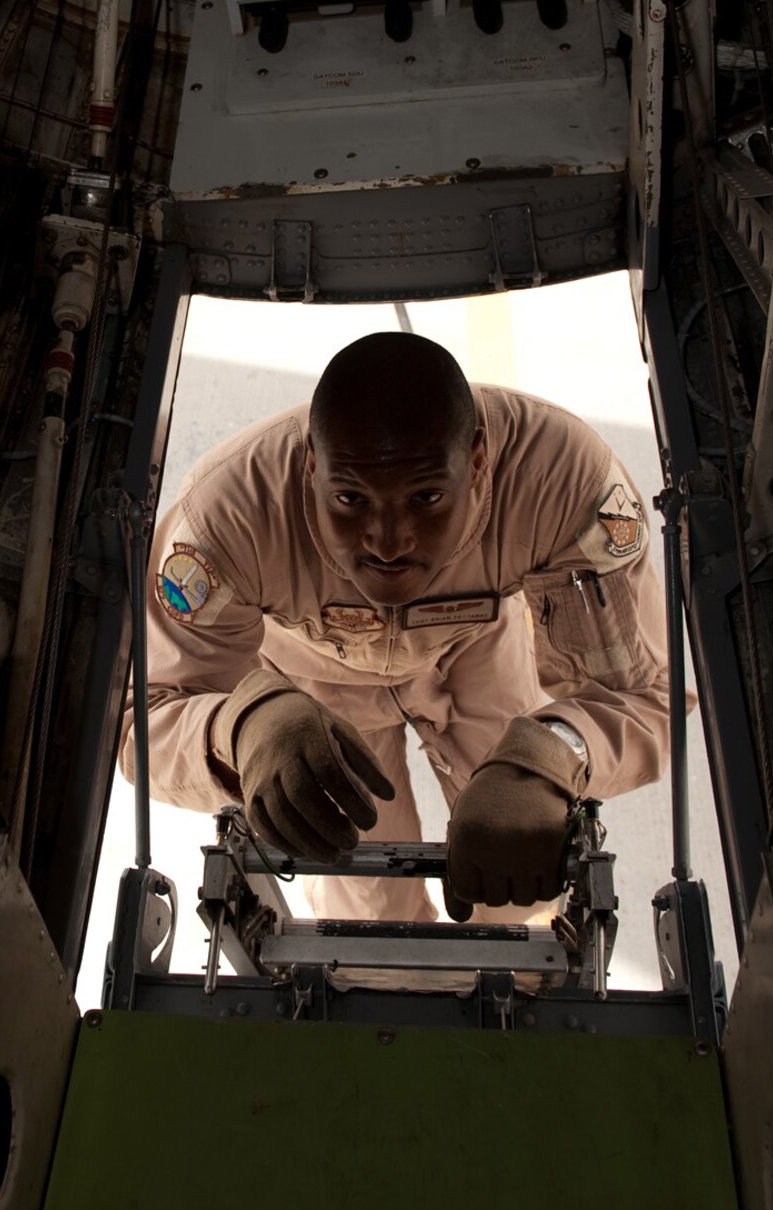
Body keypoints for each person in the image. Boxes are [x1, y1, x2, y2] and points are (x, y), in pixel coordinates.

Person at [119, 331, 670, 925]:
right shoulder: (226, 517)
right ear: (310, 465)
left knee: (522, 869)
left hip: (474, 645)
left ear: (479, 463)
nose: (387, 541)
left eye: (426, 496)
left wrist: (555, 751)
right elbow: (144, 717)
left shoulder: (564, 482)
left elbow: (644, 692)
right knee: (364, 908)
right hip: (312, 679)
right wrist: (245, 726)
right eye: (350, 498)